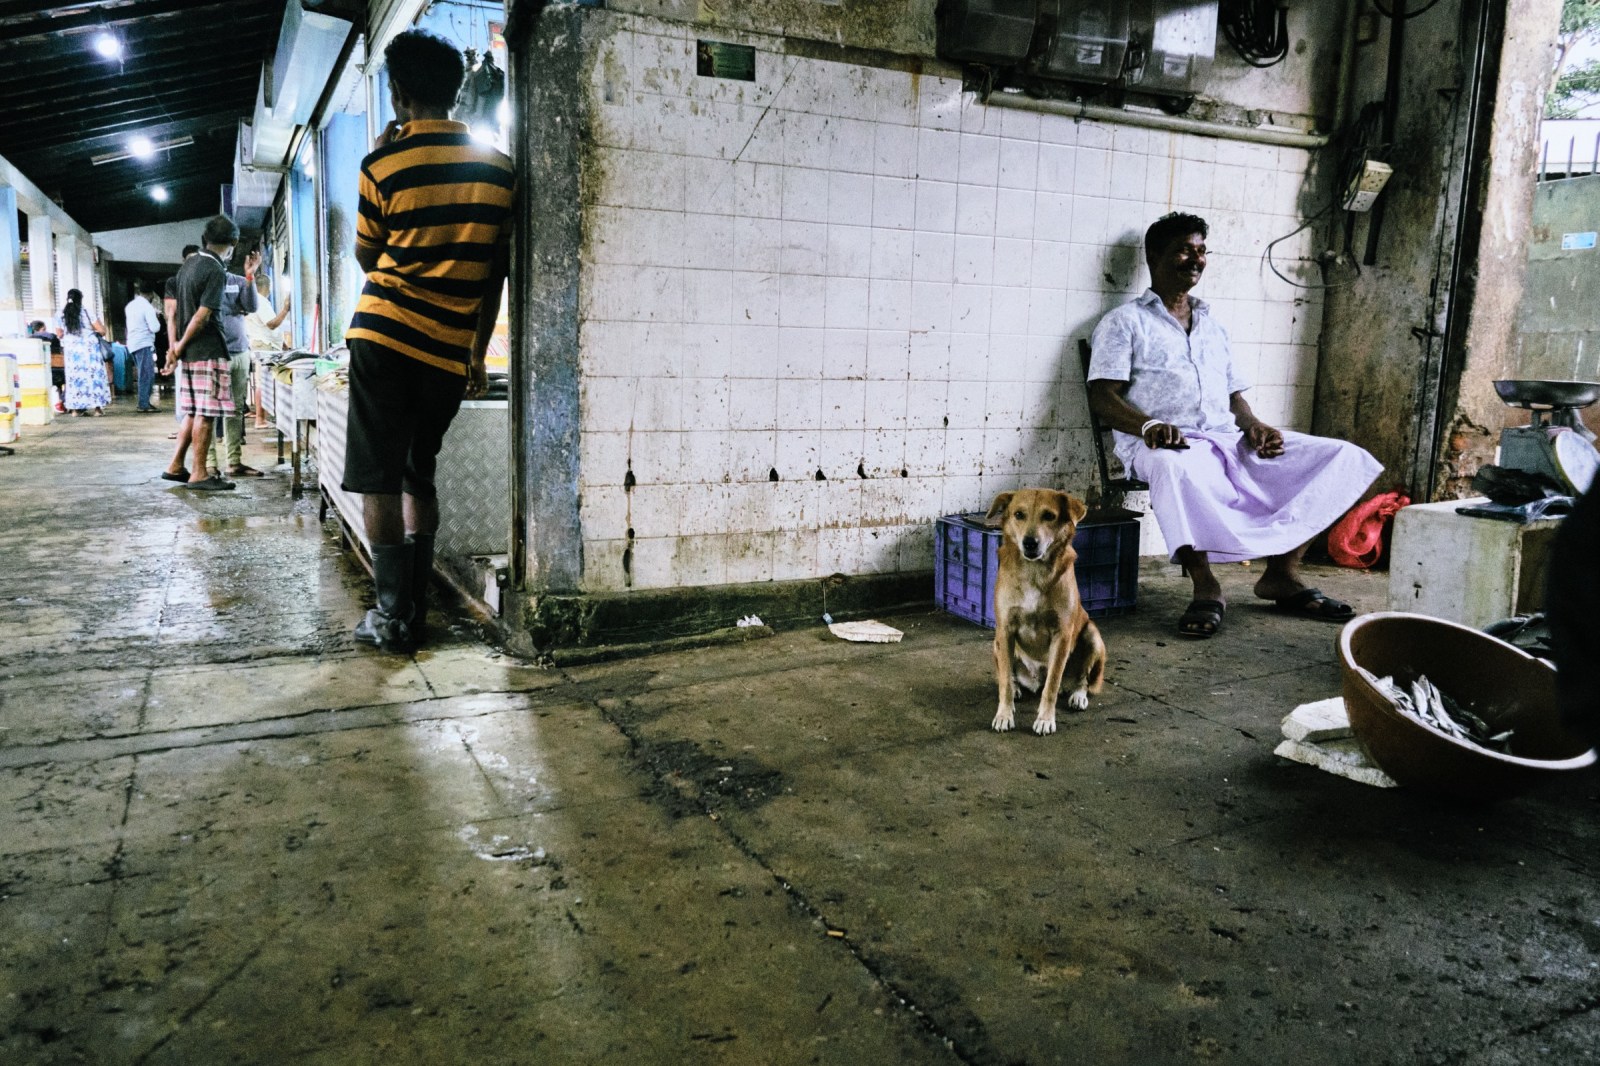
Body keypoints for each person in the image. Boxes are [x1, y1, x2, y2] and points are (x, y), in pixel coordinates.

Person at [1087, 213, 1383, 639]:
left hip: (1226, 440)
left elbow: (1233, 398)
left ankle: (1282, 573)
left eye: (1202, 251)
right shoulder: (1125, 322)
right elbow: (1102, 397)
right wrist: (1149, 424)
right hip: (1164, 444)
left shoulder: (1212, 324)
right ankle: (1205, 586)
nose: (1196, 259)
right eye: (1185, 250)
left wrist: (1255, 426)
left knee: (1342, 457)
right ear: (1155, 256)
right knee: (1173, 467)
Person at [342, 28, 514, 651]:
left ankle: (394, 617)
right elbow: (494, 273)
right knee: (421, 473)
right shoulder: (499, 171)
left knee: (379, 478)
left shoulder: (381, 164)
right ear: (456, 89)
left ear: (398, 93)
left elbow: (368, 256)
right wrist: (472, 349)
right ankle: (415, 606)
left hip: (384, 338)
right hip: (446, 350)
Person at [161, 216, 239, 492]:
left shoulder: (188, 265)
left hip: (189, 352)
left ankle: (176, 465)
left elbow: (173, 314)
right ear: (233, 243)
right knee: (206, 413)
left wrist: (176, 348)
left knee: (193, 412)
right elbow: (203, 315)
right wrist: (178, 347)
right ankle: (199, 473)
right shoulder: (215, 269)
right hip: (207, 349)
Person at [213, 251, 263, 478]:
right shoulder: (206, 282)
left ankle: (233, 462)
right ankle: (209, 463)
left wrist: (250, 276)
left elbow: (251, 306)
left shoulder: (239, 281)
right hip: (214, 352)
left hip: (240, 351)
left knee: (235, 409)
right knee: (210, 410)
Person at [244, 267, 291, 429]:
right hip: (264, 346)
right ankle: (260, 419)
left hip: (265, 344)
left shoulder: (255, 301)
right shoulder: (260, 302)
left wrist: (283, 344)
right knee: (263, 383)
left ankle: (262, 417)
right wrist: (285, 309)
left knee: (263, 382)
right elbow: (271, 324)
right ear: (267, 287)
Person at [56, 289, 109, 417]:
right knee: (94, 378)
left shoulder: (60, 314)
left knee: (75, 379)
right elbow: (102, 331)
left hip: (72, 353)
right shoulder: (87, 312)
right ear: (80, 299)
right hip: (90, 351)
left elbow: (59, 334)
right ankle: (97, 409)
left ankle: (75, 410)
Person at [125, 281, 161, 412]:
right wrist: (157, 318)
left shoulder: (131, 305)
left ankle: (144, 402)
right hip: (143, 343)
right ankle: (143, 404)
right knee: (146, 375)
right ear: (151, 294)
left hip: (133, 343)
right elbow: (155, 327)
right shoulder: (147, 307)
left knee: (143, 373)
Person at [26, 320, 64, 411]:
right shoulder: (52, 337)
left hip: (35, 370)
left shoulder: (29, 339)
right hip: (55, 368)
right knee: (60, 383)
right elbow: (57, 351)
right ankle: (61, 402)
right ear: (42, 328)